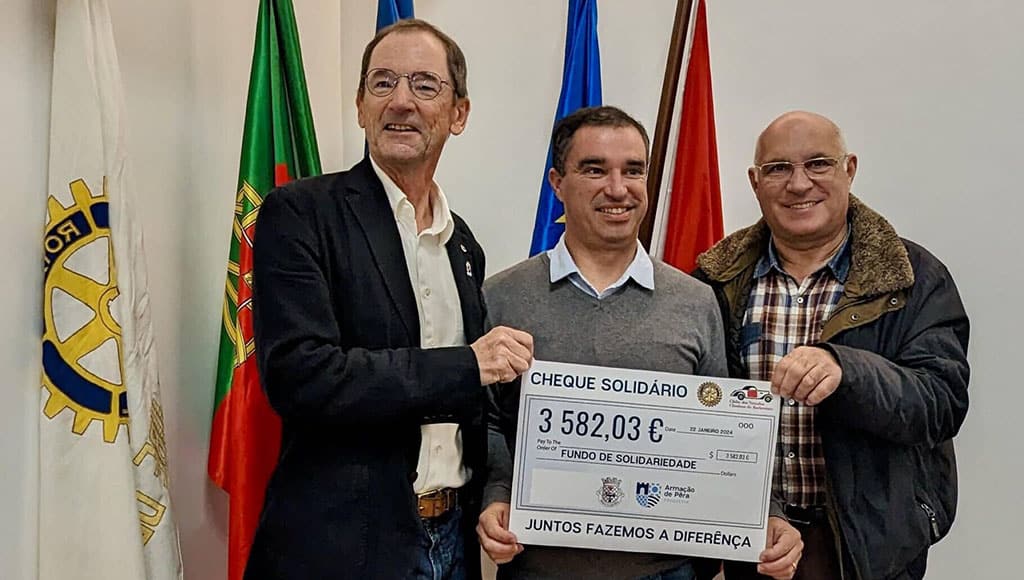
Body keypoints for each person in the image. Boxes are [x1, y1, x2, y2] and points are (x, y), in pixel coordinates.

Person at [245, 19, 534, 580]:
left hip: (452, 540)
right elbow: (301, 375)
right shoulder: (300, 214)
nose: (401, 101)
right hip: (345, 550)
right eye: (383, 83)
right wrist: (467, 365)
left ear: (459, 113)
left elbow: (473, 409)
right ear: (360, 105)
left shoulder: (463, 243)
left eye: (425, 85)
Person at [477, 106, 802, 580]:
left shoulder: (696, 301)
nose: (617, 188)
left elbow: (729, 432)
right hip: (541, 567)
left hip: (668, 570)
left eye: (633, 171)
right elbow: (484, 418)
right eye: (594, 169)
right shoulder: (502, 296)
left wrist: (766, 515)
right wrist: (496, 495)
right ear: (556, 183)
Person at [694, 111, 970, 580]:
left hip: (869, 548)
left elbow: (942, 403)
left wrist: (847, 371)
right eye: (778, 168)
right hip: (753, 542)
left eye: (818, 163)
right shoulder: (711, 283)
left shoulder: (913, 277)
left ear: (850, 169)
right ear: (755, 181)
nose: (799, 184)